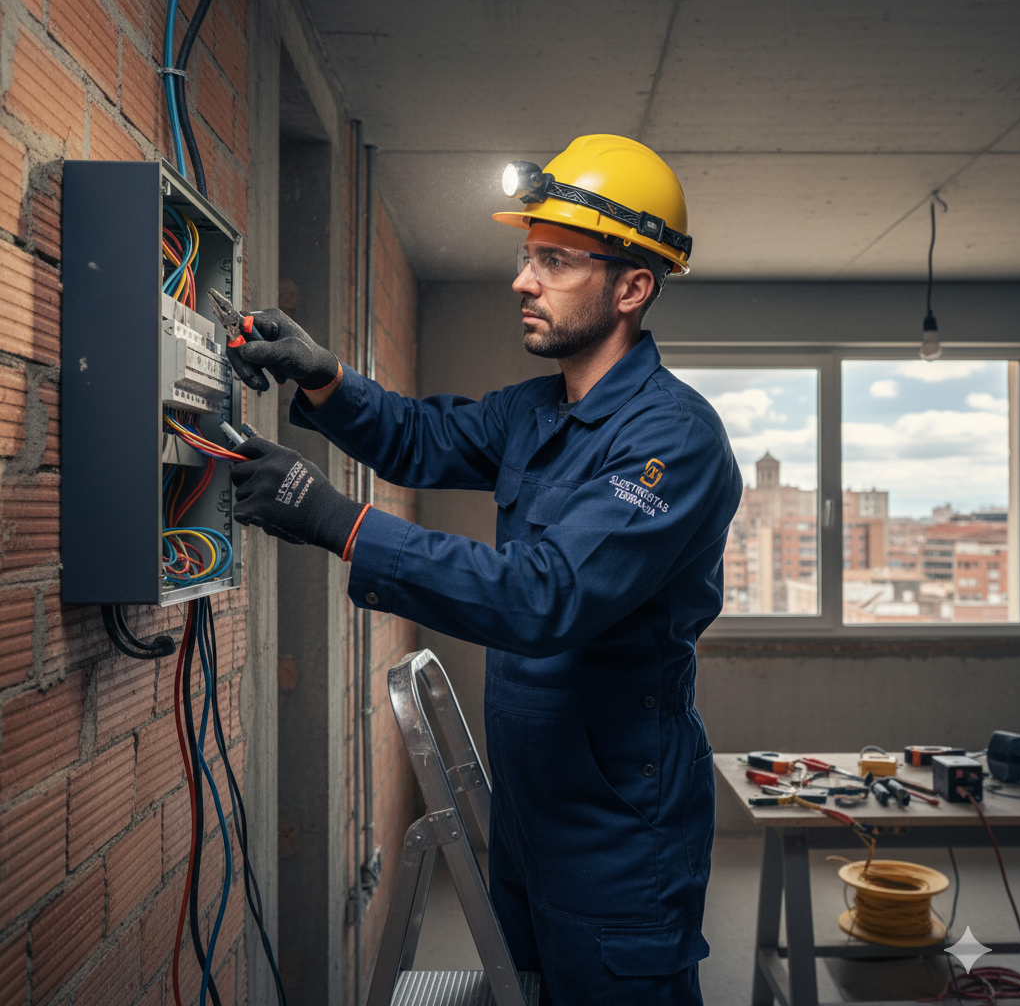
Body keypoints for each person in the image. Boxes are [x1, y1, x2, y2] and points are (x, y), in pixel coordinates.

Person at [228, 134, 742, 1005]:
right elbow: (421, 438)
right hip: (530, 812)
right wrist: (323, 379)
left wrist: (332, 516)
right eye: (524, 255)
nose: (522, 279)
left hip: (619, 831)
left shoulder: (672, 441)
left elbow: (545, 595)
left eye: (554, 259)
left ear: (632, 287)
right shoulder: (537, 410)